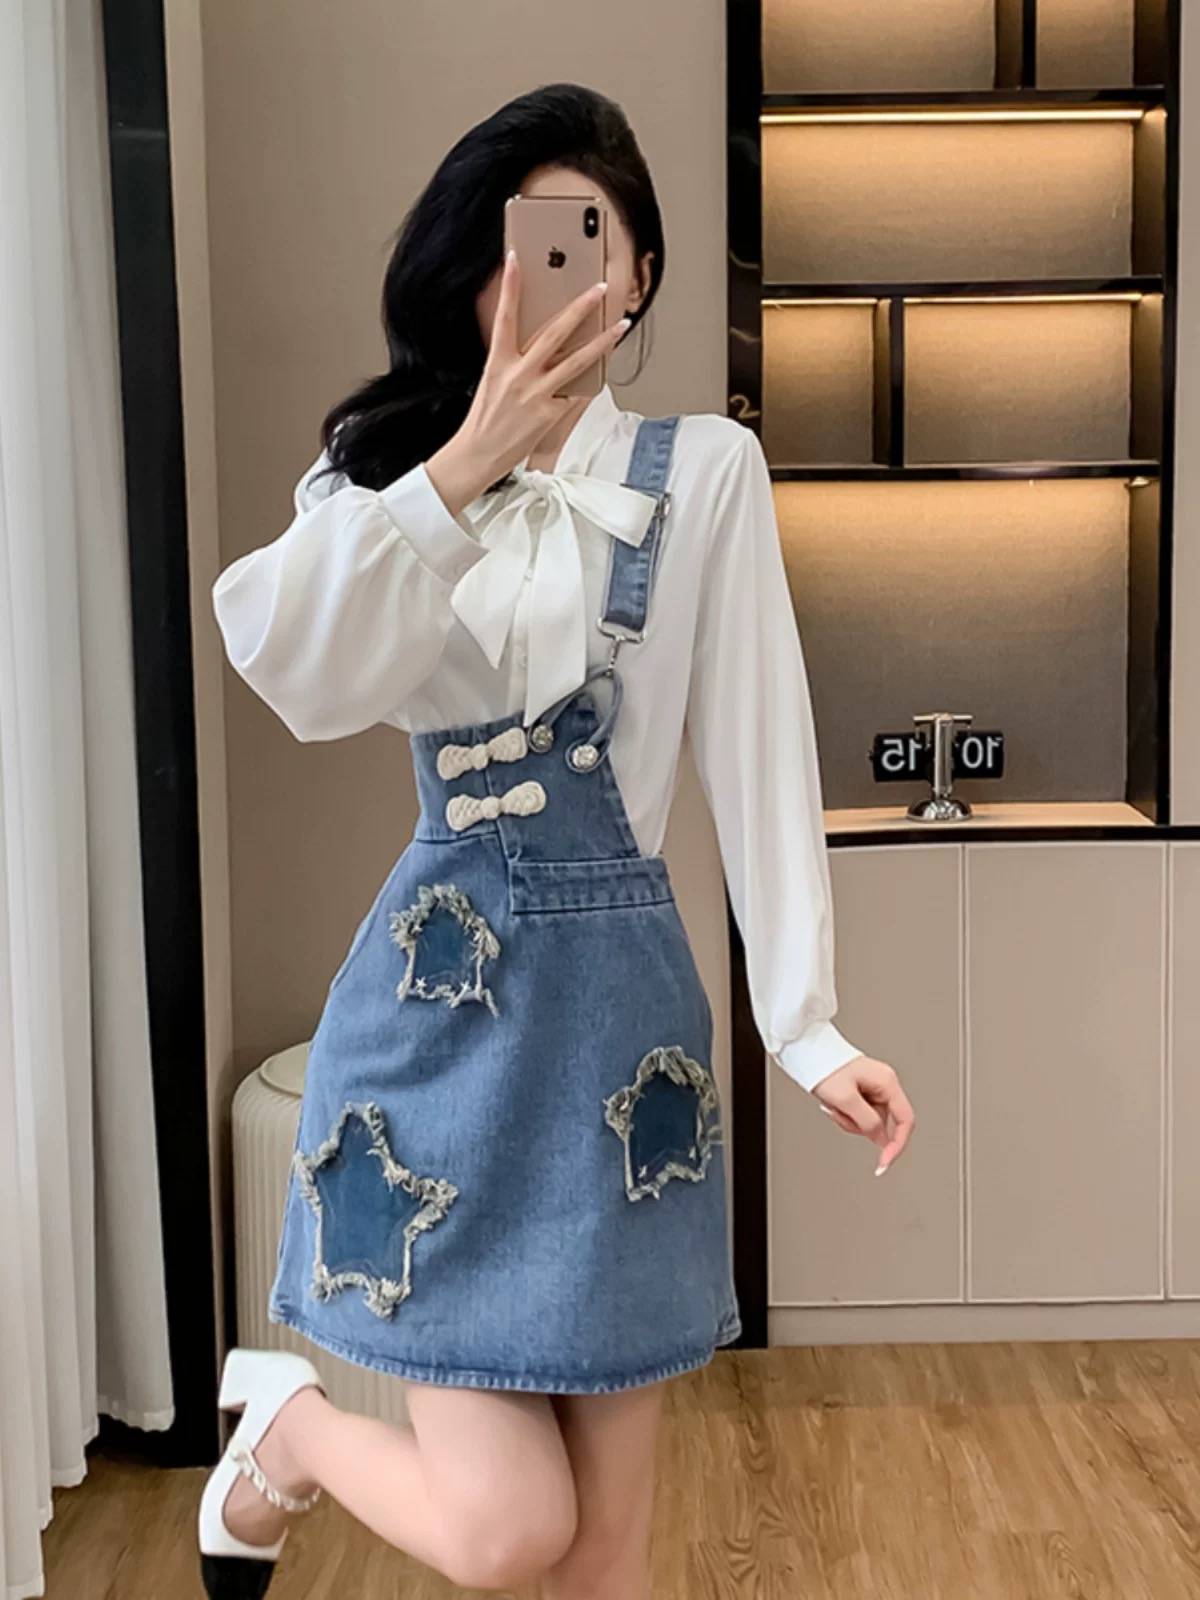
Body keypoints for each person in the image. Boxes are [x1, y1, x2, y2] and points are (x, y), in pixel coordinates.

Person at [200, 80, 915, 1600]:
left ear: (636, 272)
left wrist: (805, 1026)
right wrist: (462, 467)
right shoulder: (376, 477)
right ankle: (294, 1430)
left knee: (604, 1554)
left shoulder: (706, 474)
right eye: (508, 246)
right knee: (507, 1531)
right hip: (439, 1033)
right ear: (468, 271)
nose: (539, 278)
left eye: (582, 242)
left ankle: (294, 1434)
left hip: (620, 1050)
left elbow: (757, 744)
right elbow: (296, 673)